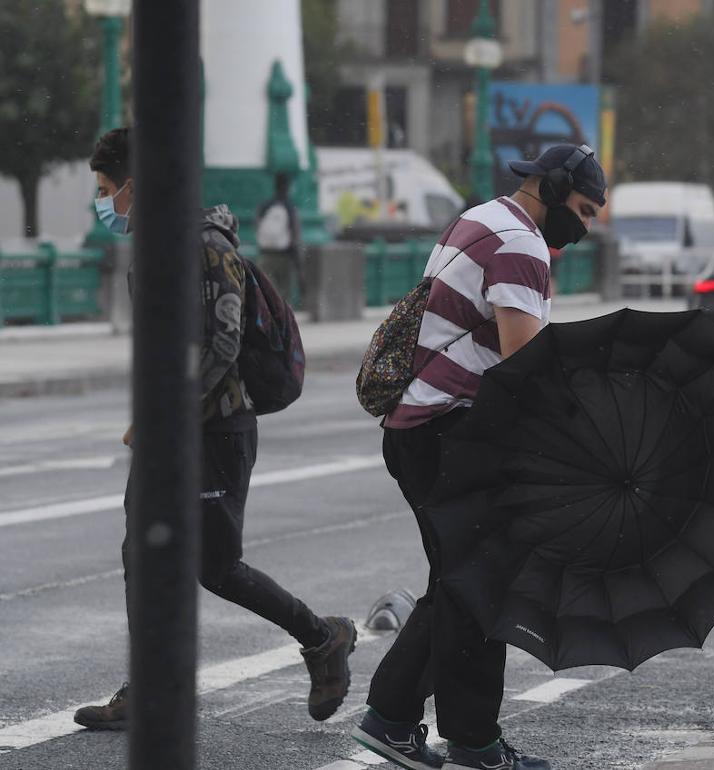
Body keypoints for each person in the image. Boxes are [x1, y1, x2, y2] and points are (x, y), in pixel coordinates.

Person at [74, 128, 356, 731]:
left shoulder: (205, 245)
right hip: (170, 429)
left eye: (105, 191)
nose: (103, 203)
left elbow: (222, 344)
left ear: (135, 185)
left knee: (215, 566)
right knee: (141, 554)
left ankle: (322, 636)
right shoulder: (154, 246)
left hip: (215, 429)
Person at [350, 144, 606, 770]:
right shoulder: (520, 244)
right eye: (582, 209)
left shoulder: (481, 217)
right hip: (451, 431)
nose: (587, 224)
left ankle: (422, 727)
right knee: (482, 588)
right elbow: (524, 362)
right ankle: (455, 738)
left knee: (467, 583)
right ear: (550, 190)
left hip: (421, 426)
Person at [255, 172, 303, 302]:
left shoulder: (265, 206)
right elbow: (295, 235)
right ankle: (282, 321)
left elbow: (257, 227)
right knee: (284, 296)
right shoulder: (290, 207)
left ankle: (269, 320)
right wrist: (298, 262)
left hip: (265, 255)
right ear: (287, 187)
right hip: (284, 256)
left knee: (266, 293)